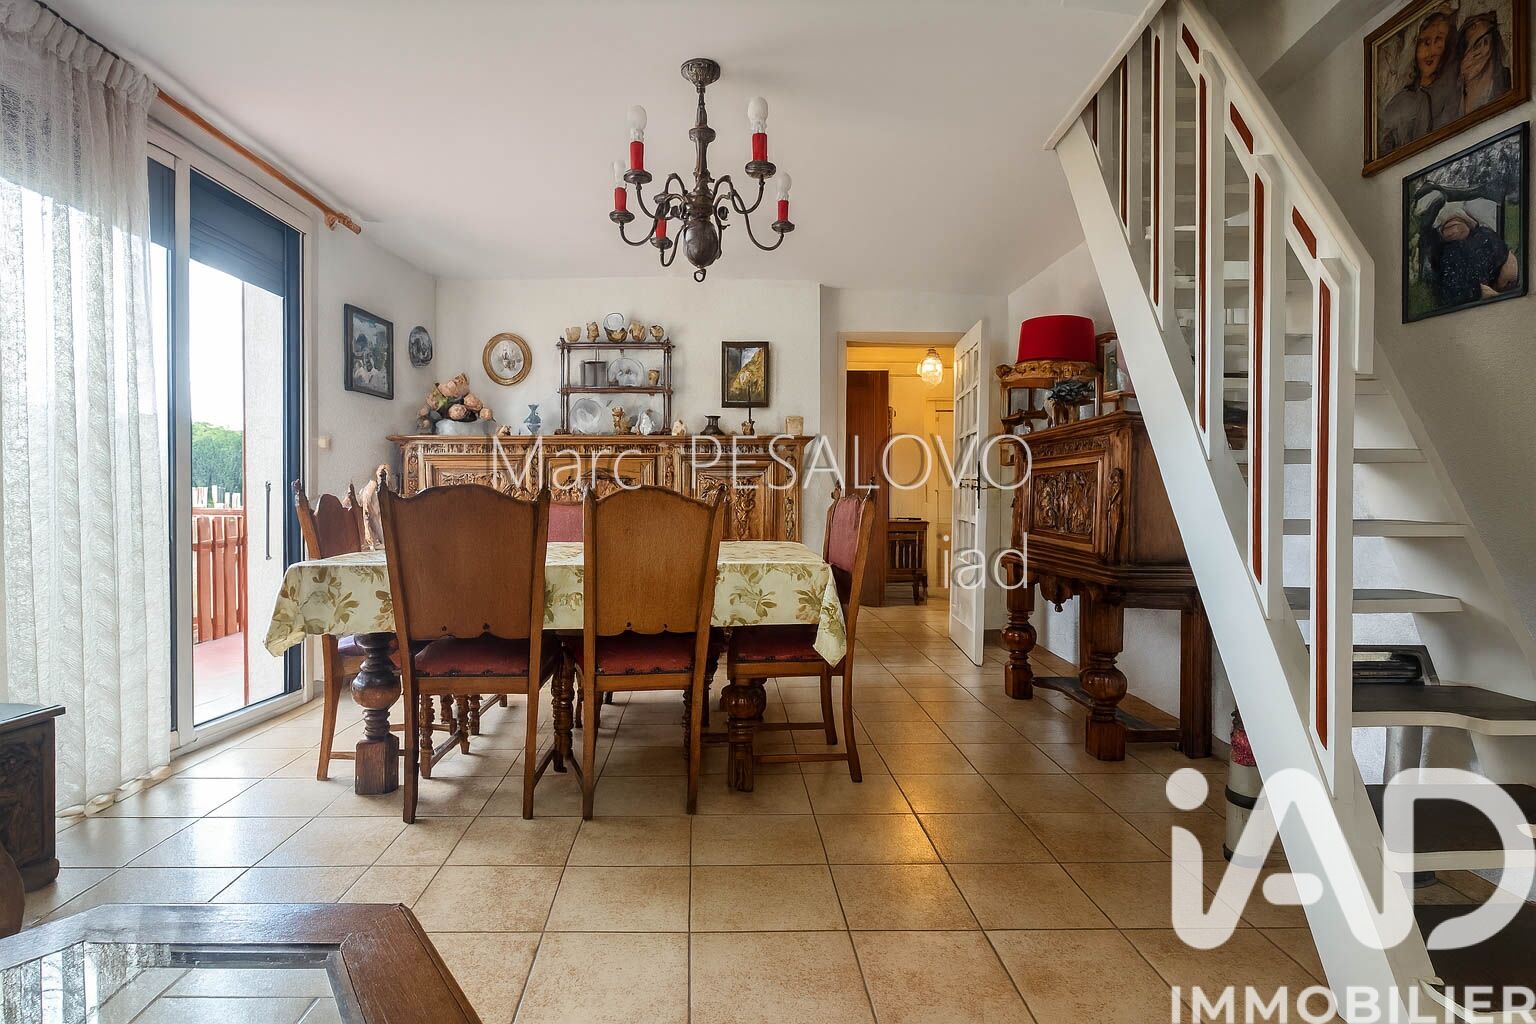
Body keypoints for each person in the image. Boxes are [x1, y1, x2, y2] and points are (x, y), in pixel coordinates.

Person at [1379, 9, 1461, 156]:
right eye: (1426, 43)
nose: (1430, 52)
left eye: (1438, 42)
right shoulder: (1400, 100)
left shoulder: (1454, 93)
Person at [1458, 11, 1511, 115]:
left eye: (1484, 41)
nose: (1477, 53)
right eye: (1471, 46)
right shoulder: (1458, 89)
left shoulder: (1505, 79)